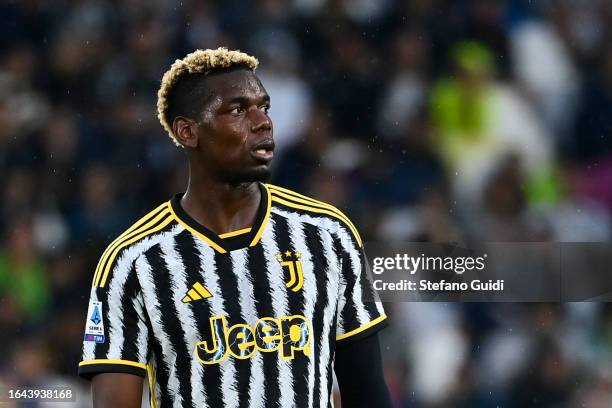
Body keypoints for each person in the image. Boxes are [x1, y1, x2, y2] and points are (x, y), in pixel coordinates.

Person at [77, 47, 391, 407]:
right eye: (238, 110)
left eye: (264, 107)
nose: (263, 122)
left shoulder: (329, 235)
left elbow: (367, 391)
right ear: (187, 132)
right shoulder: (134, 261)